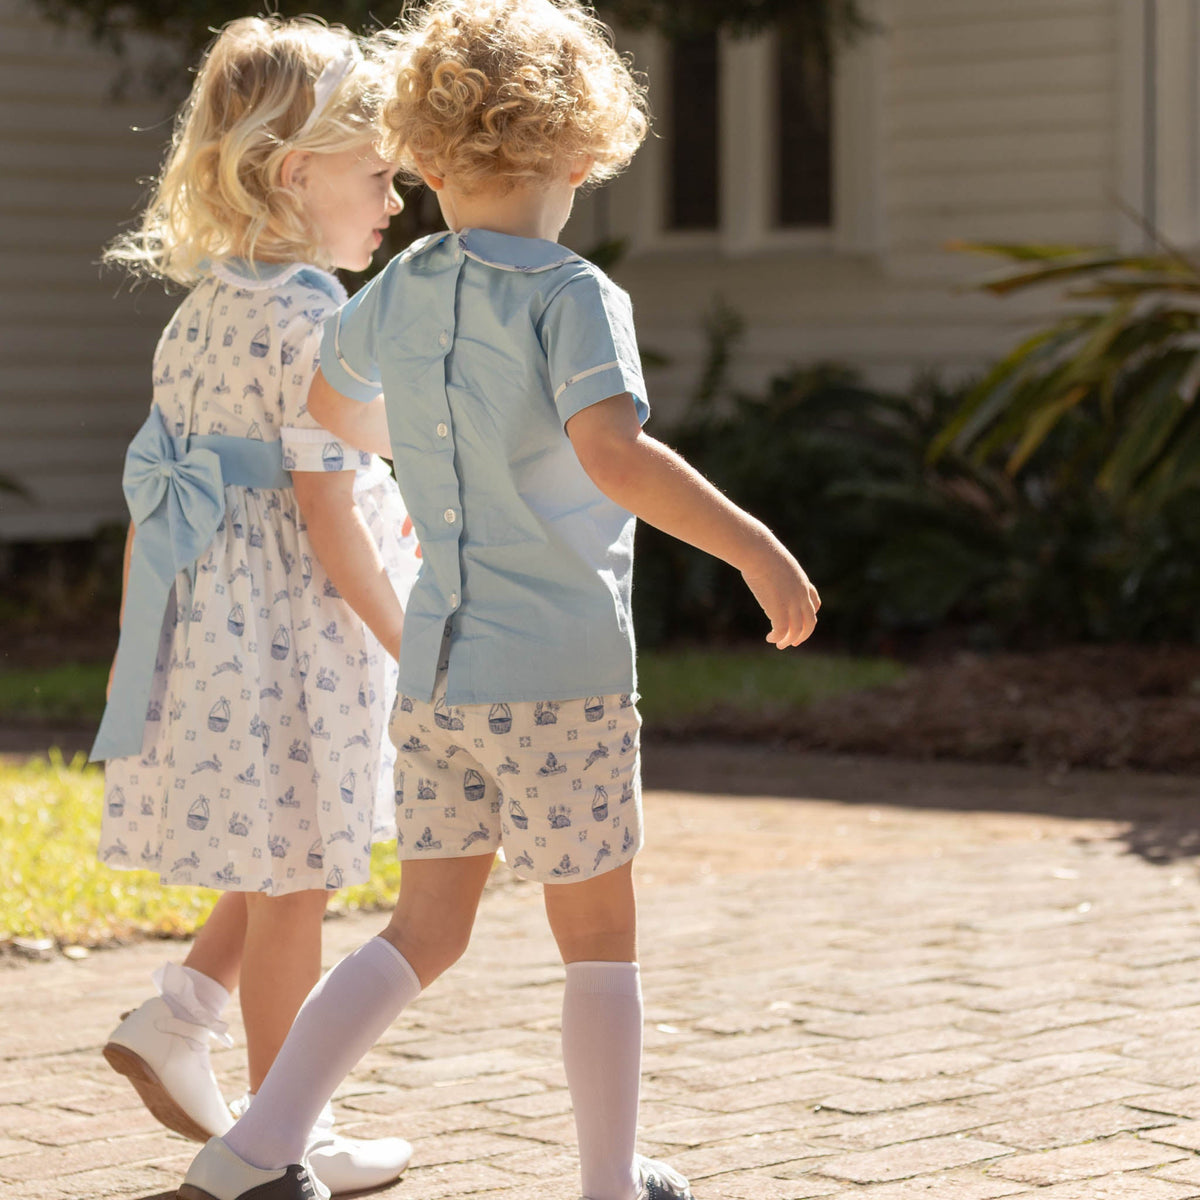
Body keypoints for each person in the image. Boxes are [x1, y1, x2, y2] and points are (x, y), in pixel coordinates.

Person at [178, 2, 820, 1198]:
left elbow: (332, 406)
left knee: (421, 932)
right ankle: (609, 1183)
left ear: (419, 160)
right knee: (599, 944)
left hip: (437, 677)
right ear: (586, 153)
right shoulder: (575, 294)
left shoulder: (408, 279)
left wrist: (432, 456)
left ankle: (256, 1147)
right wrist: (755, 549)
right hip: (560, 677)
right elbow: (616, 456)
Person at [89, 17, 421, 1195]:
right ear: (297, 173)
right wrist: (414, 645)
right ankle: (283, 1137)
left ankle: (182, 1015)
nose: (397, 198)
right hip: (297, 635)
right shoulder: (321, 323)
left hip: (222, 627)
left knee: (284, 852)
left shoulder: (206, 307)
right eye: (379, 175)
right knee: (299, 887)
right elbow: (330, 522)